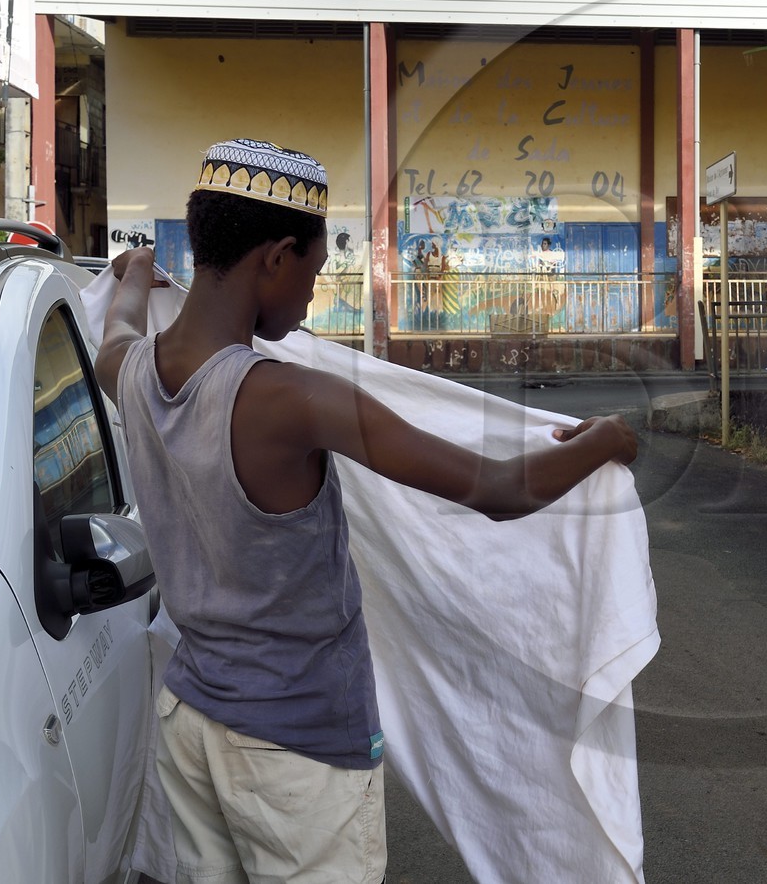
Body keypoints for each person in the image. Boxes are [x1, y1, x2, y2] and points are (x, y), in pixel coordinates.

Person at [94, 139, 637, 884]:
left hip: (190, 725)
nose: (314, 296)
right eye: (316, 272)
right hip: (296, 750)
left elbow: (115, 333)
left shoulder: (132, 372)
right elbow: (497, 489)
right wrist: (605, 438)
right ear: (276, 257)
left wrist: (129, 275)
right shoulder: (287, 398)